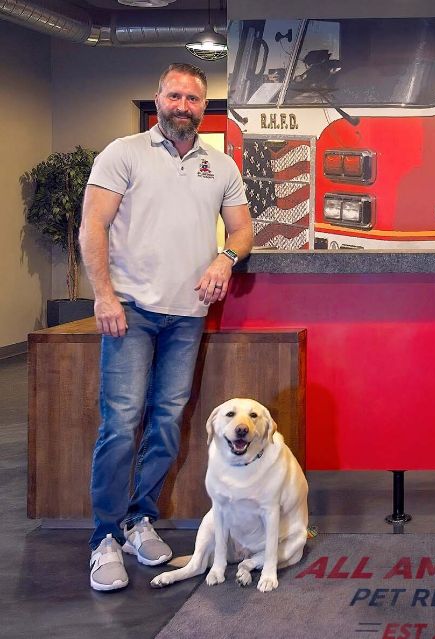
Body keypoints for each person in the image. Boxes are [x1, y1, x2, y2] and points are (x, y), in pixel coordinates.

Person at [79, 62, 253, 592]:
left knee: (166, 421)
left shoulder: (219, 166)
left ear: (204, 106)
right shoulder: (123, 153)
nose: (183, 106)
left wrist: (224, 259)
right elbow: (93, 225)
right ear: (158, 99)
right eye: (175, 96)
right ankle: (104, 538)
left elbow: (243, 229)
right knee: (121, 422)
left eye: (193, 99)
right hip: (129, 312)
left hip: (187, 316)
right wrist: (104, 295)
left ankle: (138, 520)